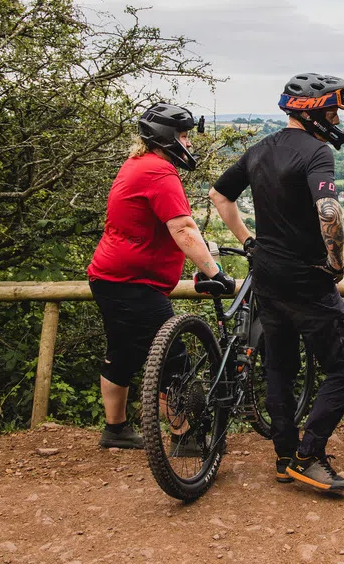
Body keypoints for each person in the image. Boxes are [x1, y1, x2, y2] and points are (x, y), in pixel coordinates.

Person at [209, 73, 344, 493]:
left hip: (267, 276)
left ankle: (284, 458)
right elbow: (328, 210)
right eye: (332, 110)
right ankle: (308, 456)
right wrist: (336, 261)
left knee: (279, 366)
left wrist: (248, 242)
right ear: (314, 111)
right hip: (305, 278)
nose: (335, 119)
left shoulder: (260, 150)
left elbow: (219, 196)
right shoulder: (317, 154)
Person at [88, 103, 234, 449]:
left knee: (123, 353)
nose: (188, 143)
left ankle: (116, 430)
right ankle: (185, 436)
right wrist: (214, 272)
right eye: (184, 135)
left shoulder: (137, 164)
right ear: (167, 137)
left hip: (109, 277)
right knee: (173, 356)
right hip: (134, 283)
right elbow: (182, 227)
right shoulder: (159, 172)